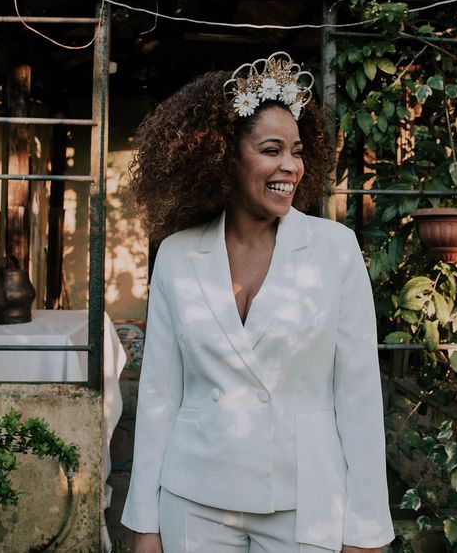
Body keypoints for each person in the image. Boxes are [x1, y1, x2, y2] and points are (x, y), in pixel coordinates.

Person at [121, 52, 395, 553]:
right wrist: (145, 523)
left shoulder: (335, 250)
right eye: (272, 149)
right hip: (194, 499)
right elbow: (160, 395)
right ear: (224, 155)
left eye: (297, 151)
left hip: (306, 500)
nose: (289, 166)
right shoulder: (178, 257)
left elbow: (358, 395)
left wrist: (366, 528)